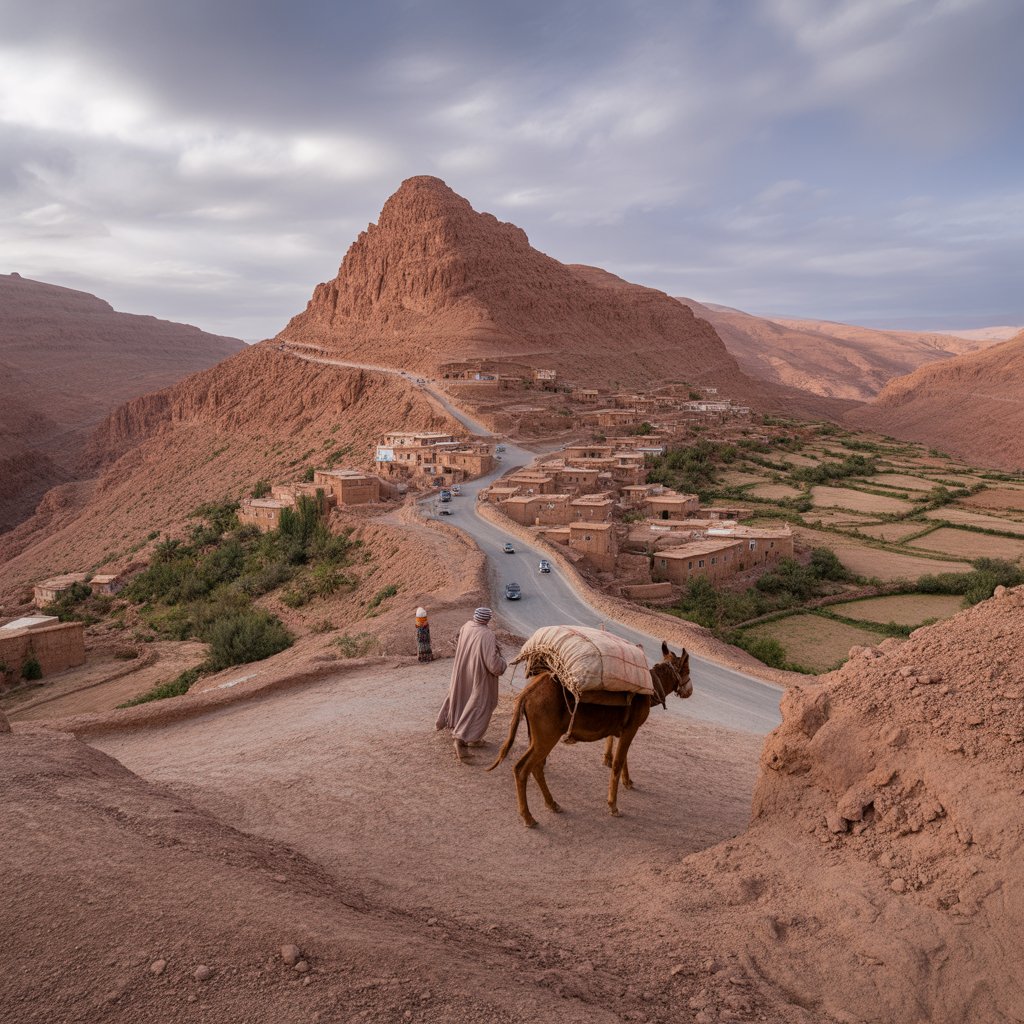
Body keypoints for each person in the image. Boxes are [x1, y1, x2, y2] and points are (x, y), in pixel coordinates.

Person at [435, 607, 507, 762]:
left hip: (463, 673)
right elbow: (493, 665)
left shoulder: (466, 626)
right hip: (479, 679)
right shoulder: (487, 635)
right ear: (487, 619)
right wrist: (503, 664)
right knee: (479, 706)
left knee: (464, 701)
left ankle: (474, 738)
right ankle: (461, 740)